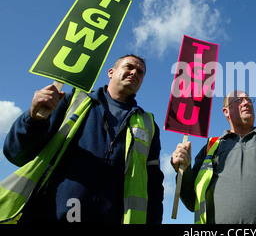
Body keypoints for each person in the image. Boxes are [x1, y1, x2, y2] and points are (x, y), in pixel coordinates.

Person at [1, 54, 164, 224]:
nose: (134, 73)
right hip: (49, 216)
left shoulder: (148, 124)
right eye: (129, 67)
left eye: (140, 72)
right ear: (111, 72)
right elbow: (16, 153)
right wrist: (33, 120)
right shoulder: (72, 101)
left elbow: (153, 185)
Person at [171, 90, 256, 224]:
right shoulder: (210, 147)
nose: (246, 102)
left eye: (248, 99)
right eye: (238, 100)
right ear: (226, 112)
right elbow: (191, 201)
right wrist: (184, 169)